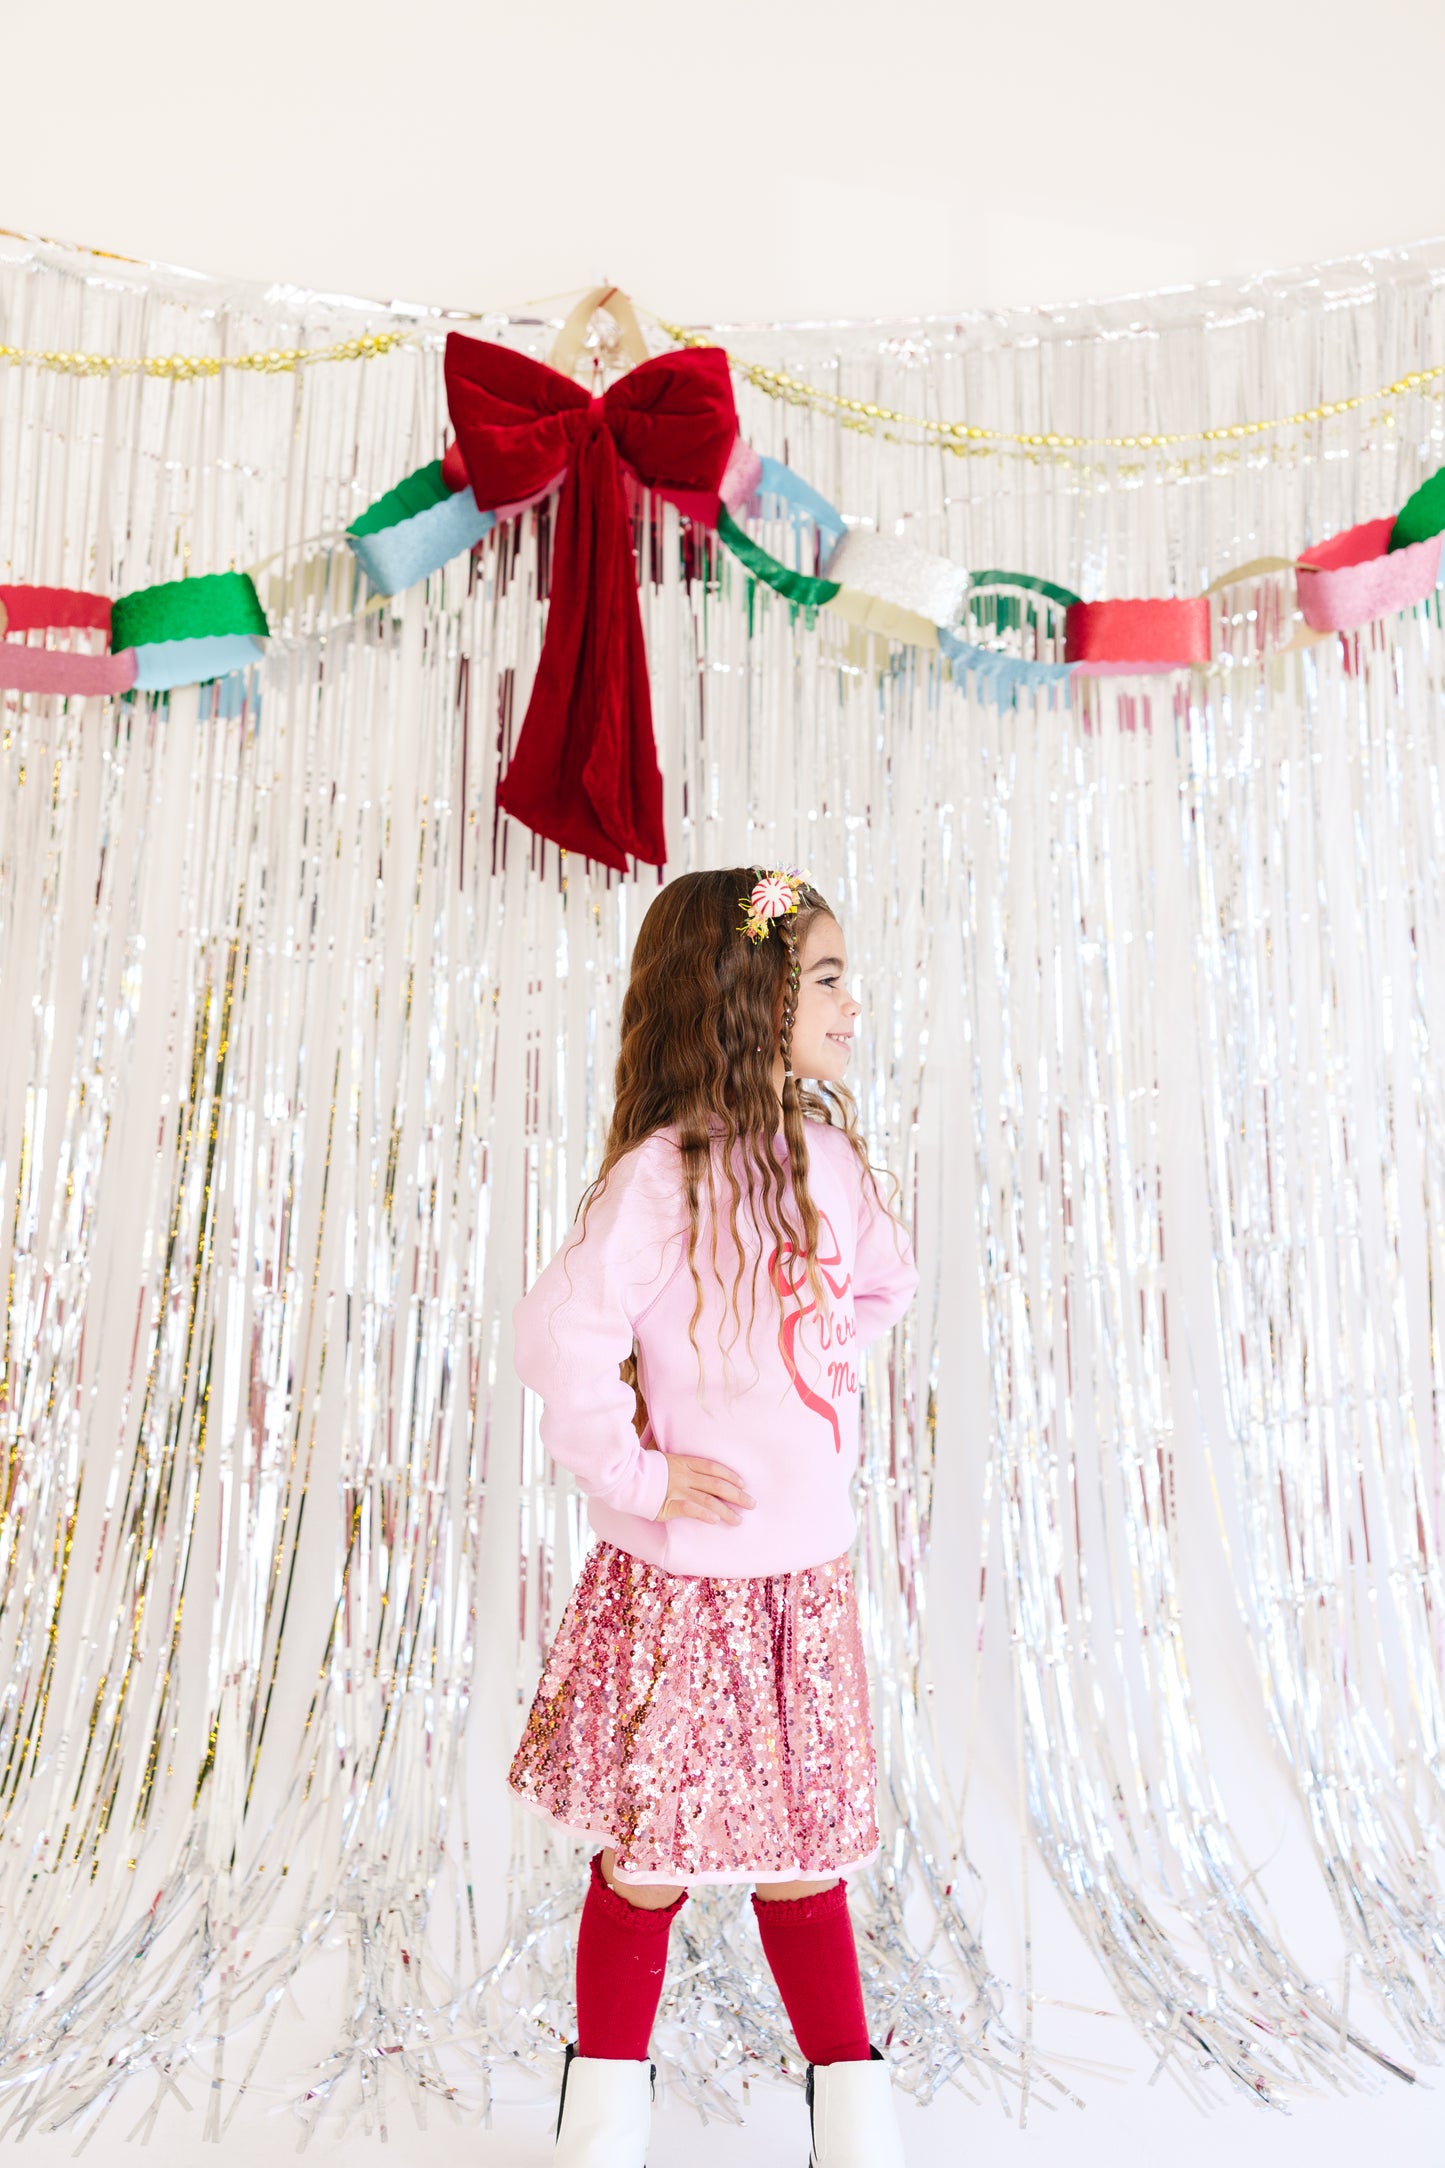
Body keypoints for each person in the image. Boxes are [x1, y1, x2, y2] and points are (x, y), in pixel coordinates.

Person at [508, 866, 919, 2168]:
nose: (852, 1004)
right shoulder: (662, 1178)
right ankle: (601, 2127)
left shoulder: (826, 1162)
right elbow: (556, 1339)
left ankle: (851, 2118)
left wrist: (808, 1371)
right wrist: (637, 1477)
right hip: (688, 1591)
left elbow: (883, 1287)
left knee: (805, 1855)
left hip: (800, 1583)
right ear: (750, 999)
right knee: (651, 1859)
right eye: (827, 978)